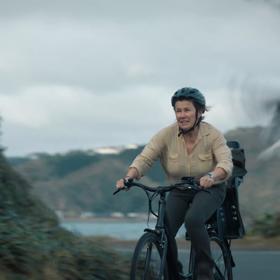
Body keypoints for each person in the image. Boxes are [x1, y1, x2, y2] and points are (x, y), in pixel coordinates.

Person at [116, 87, 233, 280]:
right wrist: (129, 177)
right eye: (178, 111)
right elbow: (145, 158)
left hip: (210, 188)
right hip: (179, 189)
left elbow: (225, 163)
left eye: (187, 110)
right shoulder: (166, 135)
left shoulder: (213, 135)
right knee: (165, 228)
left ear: (199, 112)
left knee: (194, 219)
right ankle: (174, 274)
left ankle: (205, 273)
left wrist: (211, 176)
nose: (182, 115)